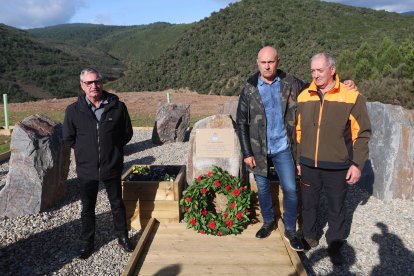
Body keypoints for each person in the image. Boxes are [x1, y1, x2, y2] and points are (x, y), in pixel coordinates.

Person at [236, 46, 356, 252]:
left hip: (284, 147)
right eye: (263, 62)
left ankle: (290, 228)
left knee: (291, 189)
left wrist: (343, 83)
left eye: (271, 62)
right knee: (263, 188)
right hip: (258, 150)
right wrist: (247, 153)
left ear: (278, 61)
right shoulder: (249, 88)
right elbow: (241, 122)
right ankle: (268, 222)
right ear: (257, 63)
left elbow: (319, 84)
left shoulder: (290, 82)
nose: (267, 66)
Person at [296, 52, 371, 265]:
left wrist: (357, 164)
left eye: (320, 70)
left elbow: (362, 133)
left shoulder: (351, 96)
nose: (316, 75)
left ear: (332, 70)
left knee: (336, 207)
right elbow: (299, 131)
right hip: (309, 163)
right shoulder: (304, 96)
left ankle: (335, 243)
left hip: (338, 165)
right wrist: (299, 160)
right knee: (309, 205)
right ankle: (309, 237)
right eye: (312, 71)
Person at [63, 67, 134, 259]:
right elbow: (69, 138)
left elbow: (126, 134)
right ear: (82, 86)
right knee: (87, 208)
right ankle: (87, 243)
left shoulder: (118, 107)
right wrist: (86, 152)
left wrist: (113, 150)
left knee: (117, 204)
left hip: (111, 165)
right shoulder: (73, 111)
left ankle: (123, 238)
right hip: (87, 169)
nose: (94, 86)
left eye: (97, 81)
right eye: (89, 83)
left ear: (102, 83)